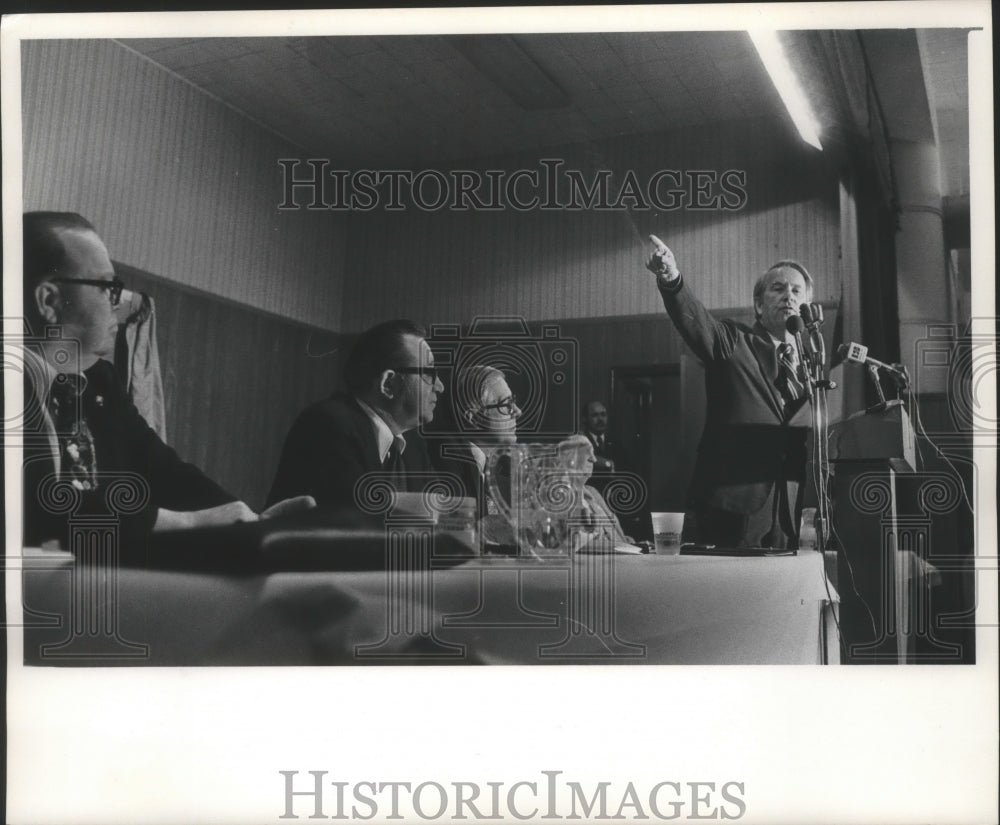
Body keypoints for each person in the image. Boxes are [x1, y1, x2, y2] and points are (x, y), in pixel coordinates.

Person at [20, 211, 312, 550]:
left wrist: (249, 521)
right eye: (107, 287)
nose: (120, 303)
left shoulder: (100, 380)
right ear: (49, 301)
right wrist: (190, 523)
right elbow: (42, 509)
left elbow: (162, 469)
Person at [645, 234, 813, 549]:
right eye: (777, 289)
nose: (788, 296)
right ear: (759, 305)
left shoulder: (811, 364)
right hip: (731, 502)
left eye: (796, 290)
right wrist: (671, 279)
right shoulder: (733, 340)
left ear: (806, 305)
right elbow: (696, 323)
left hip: (788, 507)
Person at [268, 319, 443, 511]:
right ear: (388, 384)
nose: (440, 387)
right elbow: (358, 522)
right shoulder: (329, 425)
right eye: (429, 373)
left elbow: (439, 512)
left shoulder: (413, 444)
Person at [434, 365, 521, 542]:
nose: (518, 412)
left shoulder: (495, 465)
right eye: (507, 404)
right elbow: (451, 532)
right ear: (473, 418)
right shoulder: (445, 456)